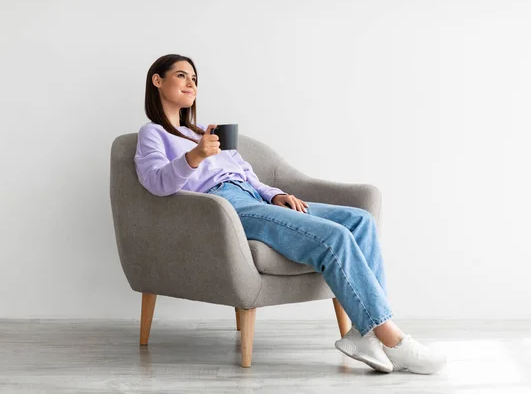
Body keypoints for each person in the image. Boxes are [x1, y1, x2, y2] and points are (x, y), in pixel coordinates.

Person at [134, 54, 447, 374]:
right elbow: (156, 184)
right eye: (182, 76)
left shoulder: (206, 131)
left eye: (195, 79)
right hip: (223, 208)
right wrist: (197, 155)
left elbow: (246, 174)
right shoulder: (153, 134)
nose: (191, 84)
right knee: (333, 236)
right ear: (158, 81)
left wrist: (276, 194)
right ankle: (392, 339)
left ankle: (362, 333)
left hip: (254, 197)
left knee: (359, 220)